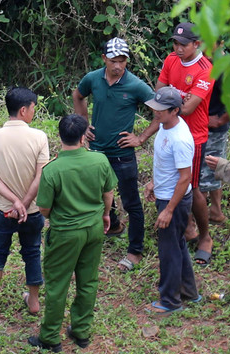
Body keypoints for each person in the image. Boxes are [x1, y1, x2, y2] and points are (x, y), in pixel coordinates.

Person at [125, 21, 216, 264]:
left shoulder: (205, 70)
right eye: (175, 43)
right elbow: (160, 97)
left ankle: (205, 236)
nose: (178, 48)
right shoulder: (170, 60)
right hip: (168, 127)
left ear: (197, 44)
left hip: (192, 137)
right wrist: (176, 96)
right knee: (169, 174)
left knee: (192, 186)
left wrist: (174, 96)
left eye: (183, 44)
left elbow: (186, 108)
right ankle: (187, 229)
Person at [28, 114, 114, 352]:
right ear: (84, 135)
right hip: (94, 228)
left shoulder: (53, 169)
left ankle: (50, 337)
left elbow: (44, 208)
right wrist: (105, 214)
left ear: (60, 136)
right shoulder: (100, 161)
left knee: (57, 284)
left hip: (65, 232)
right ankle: (81, 331)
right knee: (88, 281)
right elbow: (108, 192)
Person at [72, 37, 154, 271]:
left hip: (123, 154)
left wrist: (141, 138)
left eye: (122, 61)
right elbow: (78, 96)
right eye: (113, 61)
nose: (118, 66)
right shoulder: (93, 79)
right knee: (99, 193)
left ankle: (135, 250)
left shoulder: (135, 85)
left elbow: (160, 112)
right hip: (98, 152)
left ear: (127, 60)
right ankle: (115, 226)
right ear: (104, 59)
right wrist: (83, 124)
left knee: (131, 201)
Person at [0, 87, 50, 317]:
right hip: (32, 211)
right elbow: (41, 175)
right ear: (23, 110)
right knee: (32, 252)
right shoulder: (39, 137)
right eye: (33, 108)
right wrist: (25, 202)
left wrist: (13, 201)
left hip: (3, 210)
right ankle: (34, 302)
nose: (33, 112)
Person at [141, 87, 200, 313]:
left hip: (172, 201)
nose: (156, 113)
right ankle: (188, 291)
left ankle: (170, 301)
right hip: (165, 194)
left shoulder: (180, 139)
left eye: (161, 110)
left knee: (169, 251)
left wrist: (168, 210)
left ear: (175, 110)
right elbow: (168, 167)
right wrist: (154, 182)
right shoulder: (165, 126)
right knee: (177, 245)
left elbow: (185, 178)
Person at [200, 65, 230, 225]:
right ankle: (215, 211)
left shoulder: (223, 68)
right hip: (205, 126)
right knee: (213, 167)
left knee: (207, 172)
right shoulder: (205, 64)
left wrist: (220, 120)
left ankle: (207, 214)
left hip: (212, 129)